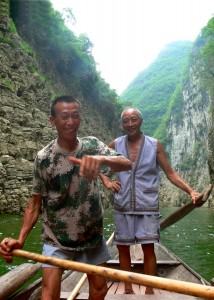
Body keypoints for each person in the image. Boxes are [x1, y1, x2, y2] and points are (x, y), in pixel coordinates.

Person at [0, 96, 132, 300]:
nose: (70, 122)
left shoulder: (92, 145)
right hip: (56, 237)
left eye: (75, 116)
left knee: (99, 290)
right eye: (64, 117)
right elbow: (35, 203)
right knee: (49, 294)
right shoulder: (44, 158)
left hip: (92, 234)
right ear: (53, 121)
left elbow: (126, 163)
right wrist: (20, 239)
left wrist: (101, 158)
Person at [99, 107, 202, 295]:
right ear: (122, 124)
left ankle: (149, 290)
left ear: (141, 121)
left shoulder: (155, 145)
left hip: (147, 205)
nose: (130, 124)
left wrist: (191, 191)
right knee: (122, 248)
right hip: (123, 205)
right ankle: (127, 289)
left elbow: (171, 174)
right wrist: (106, 181)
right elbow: (96, 162)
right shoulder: (115, 144)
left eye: (134, 119)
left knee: (148, 247)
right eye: (126, 121)